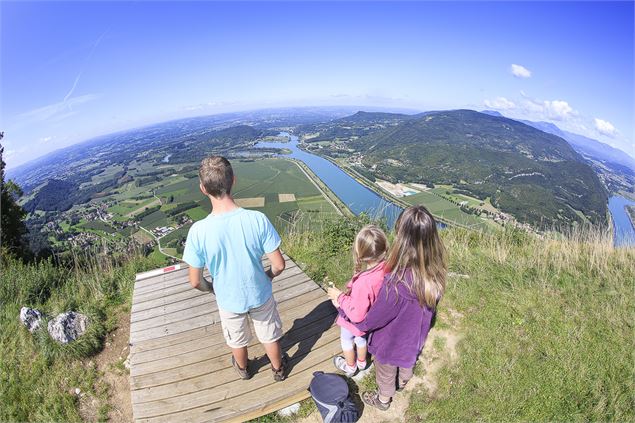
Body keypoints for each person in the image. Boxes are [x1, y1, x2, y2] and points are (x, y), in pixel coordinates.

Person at [183, 156, 287, 381]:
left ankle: (243, 369)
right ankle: (278, 369)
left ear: (203, 189)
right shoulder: (257, 219)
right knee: (268, 334)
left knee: (236, 338)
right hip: (259, 291)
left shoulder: (198, 232)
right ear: (234, 181)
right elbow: (279, 265)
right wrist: (268, 276)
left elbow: (194, 281)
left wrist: (211, 288)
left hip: (228, 298)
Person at [342, 206, 447, 410]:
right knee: (407, 364)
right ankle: (403, 382)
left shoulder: (396, 283)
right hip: (414, 339)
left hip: (390, 343)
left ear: (401, 239)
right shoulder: (435, 276)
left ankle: (383, 399)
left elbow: (377, 318)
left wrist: (361, 323)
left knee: (385, 373)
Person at [327, 225, 388, 376]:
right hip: (370, 318)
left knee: (347, 341)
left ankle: (351, 366)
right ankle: (362, 362)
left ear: (359, 252)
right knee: (361, 340)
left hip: (354, 322)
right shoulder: (385, 269)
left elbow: (356, 314)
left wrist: (339, 298)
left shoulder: (363, 282)